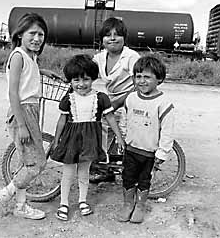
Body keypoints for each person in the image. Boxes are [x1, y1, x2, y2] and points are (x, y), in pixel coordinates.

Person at [0, 13, 60, 220]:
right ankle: (7, 193)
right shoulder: (19, 55)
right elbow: (13, 92)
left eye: (41, 34)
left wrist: (44, 72)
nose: (37, 38)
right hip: (22, 111)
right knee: (37, 164)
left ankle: (21, 206)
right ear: (20, 34)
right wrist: (21, 125)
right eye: (32, 33)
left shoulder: (30, 57)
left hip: (30, 110)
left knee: (27, 161)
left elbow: (27, 76)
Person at [50, 54, 125, 221]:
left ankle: (82, 201)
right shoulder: (68, 99)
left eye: (85, 79)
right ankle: (64, 203)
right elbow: (62, 120)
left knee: (84, 172)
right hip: (71, 140)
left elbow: (110, 117)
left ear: (93, 79)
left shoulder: (101, 98)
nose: (81, 84)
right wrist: (56, 140)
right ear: (70, 81)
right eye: (76, 80)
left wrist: (119, 137)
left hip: (90, 140)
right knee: (68, 173)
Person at [116, 55, 174, 223]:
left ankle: (140, 206)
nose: (141, 81)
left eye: (147, 77)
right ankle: (128, 205)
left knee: (144, 180)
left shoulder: (164, 103)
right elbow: (124, 119)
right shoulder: (131, 98)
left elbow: (167, 132)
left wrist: (162, 154)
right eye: (138, 76)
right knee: (127, 177)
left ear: (159, 79)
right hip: (131, 149)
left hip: (149, 153)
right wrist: (124, 138)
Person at [91, 17, 140, 183]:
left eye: (117, 34)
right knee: (99, 125)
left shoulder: (131, 57)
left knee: (118, 132)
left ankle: (106, 165)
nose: (112, 38)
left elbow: (139, 85)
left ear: (124, 38)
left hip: (130, 101)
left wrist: (119, 102)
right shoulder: (99, 58)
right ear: (102, 39)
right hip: (111, 102)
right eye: (107, 35)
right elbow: (86, 73)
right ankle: (107, 170)